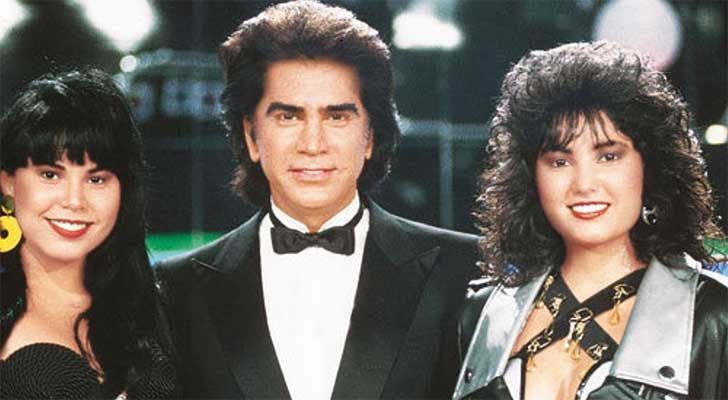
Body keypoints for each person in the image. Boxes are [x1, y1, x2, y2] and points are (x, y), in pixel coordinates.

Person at [155, 1, 480, 398]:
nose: (313, 143)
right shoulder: (179, 290)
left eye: (337, 117)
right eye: (288, 117)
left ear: (370, 136)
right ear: (251, 137)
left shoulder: (463, 272)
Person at [452, 41, 728, 400]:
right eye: (560, 161)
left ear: (650, 166)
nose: (584, 184)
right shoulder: (482, 313)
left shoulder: (711, 316)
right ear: (531, 176)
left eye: (608, 156)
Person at [0, 69, 179, 398]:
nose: (74, 200)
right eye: (50, 175)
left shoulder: (155, 313)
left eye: (96, 179)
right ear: (8, 183)